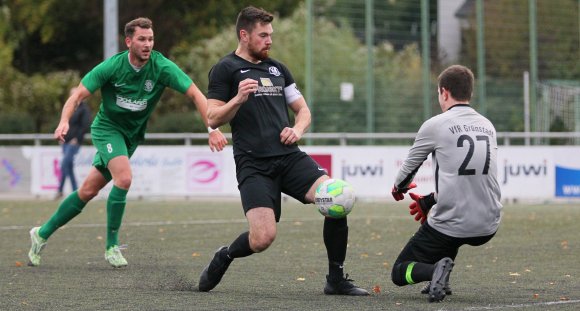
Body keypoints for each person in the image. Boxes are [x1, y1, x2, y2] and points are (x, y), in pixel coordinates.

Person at [28, 17, 228, 268]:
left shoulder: (162, 67)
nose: (147, 44)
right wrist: (64, 121)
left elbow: (196, 93)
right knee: (124, 178)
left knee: (88, 190)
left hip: (130, 136)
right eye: (142, 39)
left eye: (151, 39)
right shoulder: (111, 67)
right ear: (129, 41)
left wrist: (212, 128)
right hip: (107, 129)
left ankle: (41, 233)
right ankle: (112, 246)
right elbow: (77, 95)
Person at [197, 6, 368, 296]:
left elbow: (303, 111)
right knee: (262, 238)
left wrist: (297, 129)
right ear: (244, 35)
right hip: (253, 164)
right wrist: (237, 99)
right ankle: (225, 255)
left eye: (270, 35)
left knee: (338, 196)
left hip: (289, 157)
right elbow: (213, 117)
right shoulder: (225, 69)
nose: (269, 40)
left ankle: (335, 279)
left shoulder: (277, 69)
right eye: (263, 35)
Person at [390, 65, 502, 302]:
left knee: (400, 271)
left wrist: (399, 188)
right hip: (489, 225)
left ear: (444, 92)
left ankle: (434, 272)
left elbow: (407, 171)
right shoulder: (487, 125)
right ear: (469, 93)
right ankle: (442, 279)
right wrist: (430, 200)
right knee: (447, 228)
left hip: (454, 225)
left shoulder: (436, 124)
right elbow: (467, 181)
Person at [55, 87, 91, 200]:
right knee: (68, 167)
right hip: (65, 141)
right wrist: (61, 135)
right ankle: (76, 191)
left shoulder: (84, 109)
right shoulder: (69, 108)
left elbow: (84, 126)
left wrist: (76, 138)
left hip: (74, 142)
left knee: (64, 164)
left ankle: (60, 190)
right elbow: (63, 122)